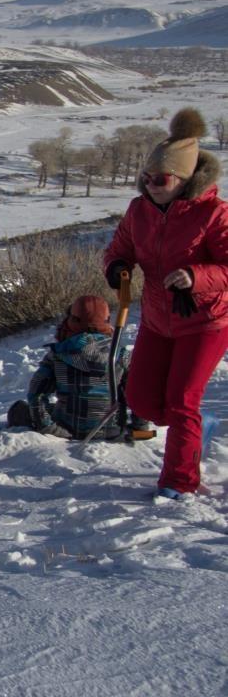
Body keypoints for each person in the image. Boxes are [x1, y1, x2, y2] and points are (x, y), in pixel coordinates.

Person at [103, 107, 228, 500]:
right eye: (146, 179)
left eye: (160, 180)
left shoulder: (214, 214)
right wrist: (117, 266)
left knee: (180, 402)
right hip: (158, 319)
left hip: (206, 320)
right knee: (141, 398)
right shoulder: (139, 211)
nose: (151, 186)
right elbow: (119, 248)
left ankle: (179, 481)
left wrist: (196, 276)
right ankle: (193, 426)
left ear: (185, 180)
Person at [7, 295, 150, 440]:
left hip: (66, 427)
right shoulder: (121, 356)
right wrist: (139, 428)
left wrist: (49, 428)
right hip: (111, 430)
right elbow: (141, 394)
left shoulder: (58, 354)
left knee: (18, 409)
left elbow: (36, 393)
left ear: (73, 321)